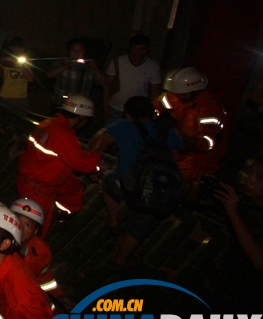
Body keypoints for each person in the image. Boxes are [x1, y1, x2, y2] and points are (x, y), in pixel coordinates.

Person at [90, 95, 184, 269]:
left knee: (109, 180)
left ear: (128, 114)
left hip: (125, 185)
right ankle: (122, 258)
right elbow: (181, 149)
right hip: (154, 189)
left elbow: (98, 145)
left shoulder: (123, 126)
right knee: (140, 223)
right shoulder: (168, 133)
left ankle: (114, 221)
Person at [17, 94, 102, 235]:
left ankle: (65, 213)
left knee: (72, 186)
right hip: (38, 189)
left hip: (32, 179)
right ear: (80, 118)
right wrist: (97, 154)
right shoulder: (63, 135)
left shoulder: (49, 123)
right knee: (33, 230)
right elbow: (83, 165)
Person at [154, 67, 229, 187]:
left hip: (198, 161)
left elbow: (209, 142)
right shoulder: (175, 96)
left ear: (193, 90)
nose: (175, 94)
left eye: (179, 92)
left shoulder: (210, 109)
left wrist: (185, 141)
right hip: (177, 152)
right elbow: (156, 108)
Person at [210, 155, 263, 313]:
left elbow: (259, 261)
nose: (249, 179)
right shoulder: (242, 202)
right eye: (248, 172)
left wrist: (234, 215)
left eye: (260, 177)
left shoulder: (240, 209)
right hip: (219, 283)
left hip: (246, 299)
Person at [9, 198, 71, 307]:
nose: (20, 228)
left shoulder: (40, 252)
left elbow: (43, 278)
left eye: (28, 225)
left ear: (35, 232)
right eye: (17, 220)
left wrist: (59, 296)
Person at [103, 34, 161, 122]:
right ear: (129, 48)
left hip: (138, 111)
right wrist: (105, 107)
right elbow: (107, 86)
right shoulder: (118, 62)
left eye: (142, 49)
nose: (138, 53)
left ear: (148, 49)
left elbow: (155, 91)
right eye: (135, 49)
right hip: (116, 107)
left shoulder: (153, 66)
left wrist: (153, 111)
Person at [46, 38, 104, 112]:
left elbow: (103, 84)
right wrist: (68, 65)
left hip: (81, 106)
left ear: (84, 52)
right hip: (61, 103)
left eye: (80, 50)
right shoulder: (61, 62)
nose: (77, 53)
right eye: (74, 50)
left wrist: (95, 69)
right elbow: (49, 75)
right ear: (68, 51)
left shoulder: (89, 66)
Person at [0, 36, 34, 111]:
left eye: (20, 47)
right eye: (16, 47)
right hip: (6, 96)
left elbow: (31, 79)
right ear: (10, 48)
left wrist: (21, 65)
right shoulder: (6, 60)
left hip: (22, 98)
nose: (18, 50)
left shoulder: (27, 61)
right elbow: (3, 66)